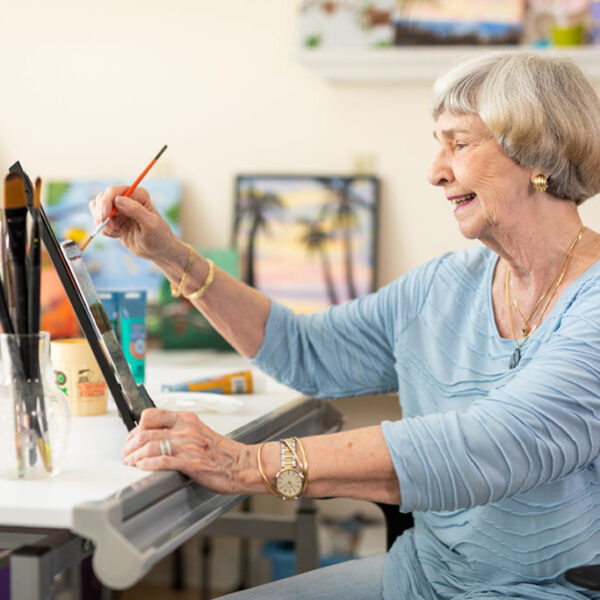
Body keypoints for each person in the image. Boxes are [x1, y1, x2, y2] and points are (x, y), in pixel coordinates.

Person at [91, 51, 600, 599]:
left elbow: (490, 447)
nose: (435, 170)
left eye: (459, 143)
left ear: (537, 153)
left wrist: (244, 464)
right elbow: (307, 351)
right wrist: (169, 255)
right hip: (421, 579)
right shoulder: (445, 287)